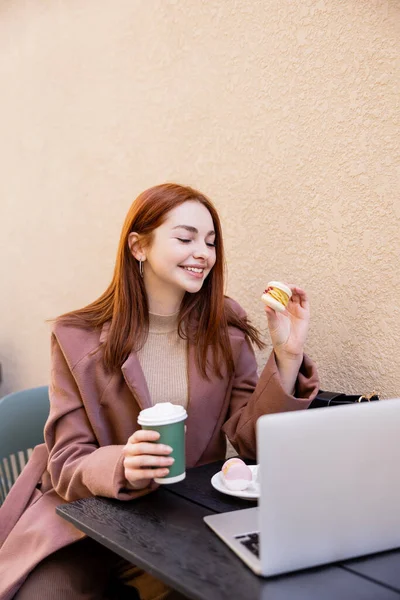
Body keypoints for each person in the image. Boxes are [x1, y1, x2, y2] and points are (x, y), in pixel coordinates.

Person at [0, 183, 319, 600]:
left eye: (210, 241)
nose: (203, 252)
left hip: (184, 522)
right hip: (88, 523)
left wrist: (287, 355)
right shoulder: (76, 336)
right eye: (185, 238)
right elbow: (66, 462)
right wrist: (122, 465)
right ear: (138, 246)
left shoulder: (224, 323)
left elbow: (251, 441)